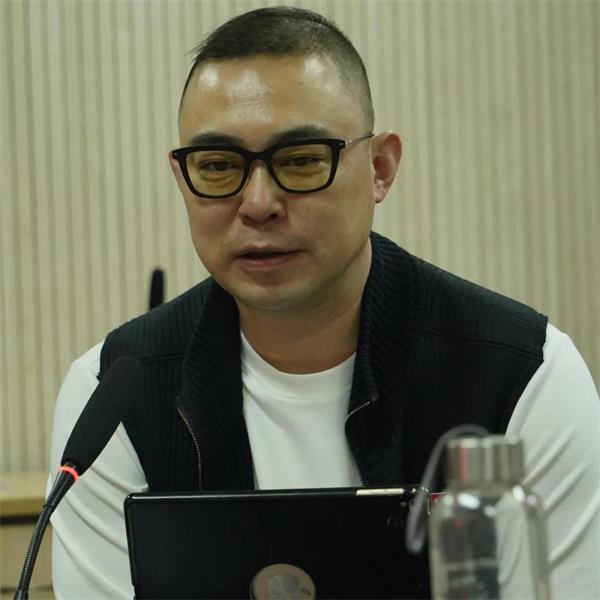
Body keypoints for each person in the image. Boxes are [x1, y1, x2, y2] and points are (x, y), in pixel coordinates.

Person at [48, 6, 600, 599]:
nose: (257, 203)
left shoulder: (523, 376)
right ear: (184, 179)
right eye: (219, 166)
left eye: (301, 160)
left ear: (380, 168)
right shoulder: (112, 398)